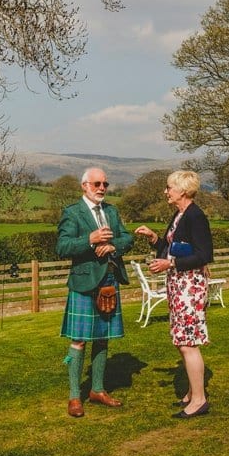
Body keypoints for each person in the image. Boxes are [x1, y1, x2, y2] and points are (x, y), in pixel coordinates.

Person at [134, 170, 213, 419]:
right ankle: (192, 393)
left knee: (188, 342)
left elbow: (204, 255)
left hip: (189, 286)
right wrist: (154, 238)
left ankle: (199, 400)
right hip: (178, 287)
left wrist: (171, 265)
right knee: (181, 341)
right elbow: (170, 248)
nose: (165, 191)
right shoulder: (179, 215)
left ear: (182, 190)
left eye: (169, 187)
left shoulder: (195, 216)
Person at [56, 167, 134, 418]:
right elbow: (62, 246)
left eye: (105, 184)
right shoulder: (72, 213)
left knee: (103, 337)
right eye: (96, 183)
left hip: (109, 280)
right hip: (84, 283)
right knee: (78, 339)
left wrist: (113, 245)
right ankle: (74, 396)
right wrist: (90, 240)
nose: (102, 188)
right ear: (84, 186)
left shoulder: (111, 210)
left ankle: (97, 390)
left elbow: (127, 238)